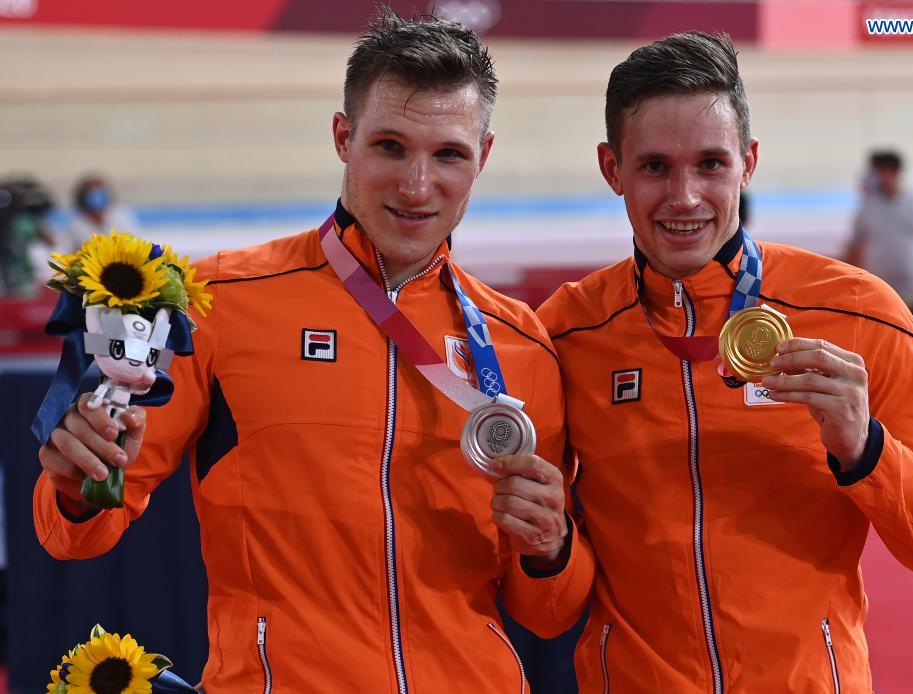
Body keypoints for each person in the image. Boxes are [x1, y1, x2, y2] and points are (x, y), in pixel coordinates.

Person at [34, 10, 593, 691]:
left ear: (484, 155)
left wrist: (551, 548)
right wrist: (79, 485)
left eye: (449, 154)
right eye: (391, 146)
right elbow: (77, 533)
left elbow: (549, 614)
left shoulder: (521, 345)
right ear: (343, 137)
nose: (417, 186)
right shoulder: (220, 302)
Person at [537, 32, 913, 692]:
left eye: (711, 164)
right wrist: (547, 549)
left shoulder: (858, 312)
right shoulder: (566, 331)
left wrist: (866, 449)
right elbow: (545, 606)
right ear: (612, 169)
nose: (685, 197)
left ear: (748, 162)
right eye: (655, 166)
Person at [847, 149, 913, 371]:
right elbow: (853, 249)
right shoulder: (867, 208)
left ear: (889, 171)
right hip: (884, 297)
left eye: (875, 172)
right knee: (890, 354)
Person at [66, 174, 142, 247]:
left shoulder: (122, 216)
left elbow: (137, 240)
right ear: (83, 198)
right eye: (92, 194)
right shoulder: (76, 225)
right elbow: (68, 249)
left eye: (100, 192)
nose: (97, 198)